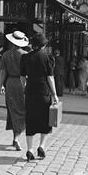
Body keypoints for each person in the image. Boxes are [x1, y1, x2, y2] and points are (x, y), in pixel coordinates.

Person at [20, 33, 59, 161]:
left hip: (30, 91)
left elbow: (22, 77)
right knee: (45, 120)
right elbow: (50, 78)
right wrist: (54, 94)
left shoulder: (25, 57)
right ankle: (41, 146)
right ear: (44, 45)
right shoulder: (47, 57)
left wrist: (25, 87)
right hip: (44, 92)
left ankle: (30, 149)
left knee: (30, 120)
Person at [0, 31, 28, 151]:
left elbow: (2, 72)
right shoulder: (25, 55)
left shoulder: (5, 55)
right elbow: (27, 74)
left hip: (10, 83)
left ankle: (14, 138)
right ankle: (16, 138)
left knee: (12, 110)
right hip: (22, 84)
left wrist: (1, 85)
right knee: (21, 112)